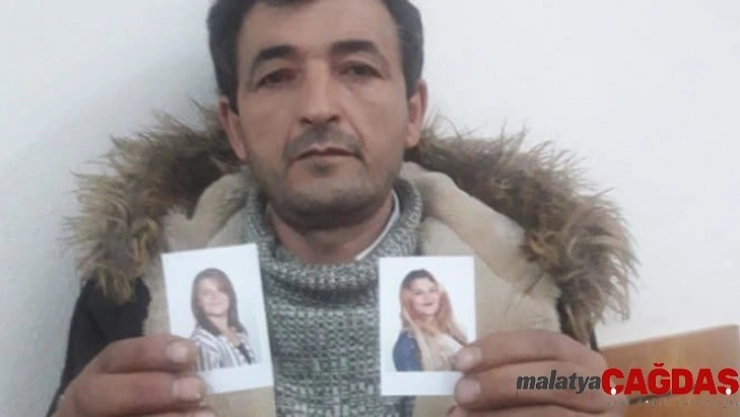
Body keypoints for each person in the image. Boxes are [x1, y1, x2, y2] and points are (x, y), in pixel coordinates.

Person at [47, 0, 636, 416]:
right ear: (235, 128)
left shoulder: (529, 276)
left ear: (412, 113)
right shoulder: (133, 291)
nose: (319, 106)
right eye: (277, 77)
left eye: (357, 69)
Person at [393, 269, 467, 372]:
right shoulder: (407, 343)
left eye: (432, 290)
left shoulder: (453, 332)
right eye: (419, 293)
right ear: (408, 300)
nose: (428, 297)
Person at [190, 268, 256, 372]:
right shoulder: (202, 342)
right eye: (207, 293)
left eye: (221, 290)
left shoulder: (240, 333)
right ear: (198, 301)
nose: (215, 297)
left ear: (229, 295)